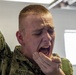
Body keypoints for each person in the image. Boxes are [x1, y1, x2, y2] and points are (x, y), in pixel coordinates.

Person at [0, 5, 73, 75]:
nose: (48, 38)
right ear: (20, 38)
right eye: (38, 33)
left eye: (51, 31)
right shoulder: (5, 62)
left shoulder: (64, 65)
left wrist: (57, 73)